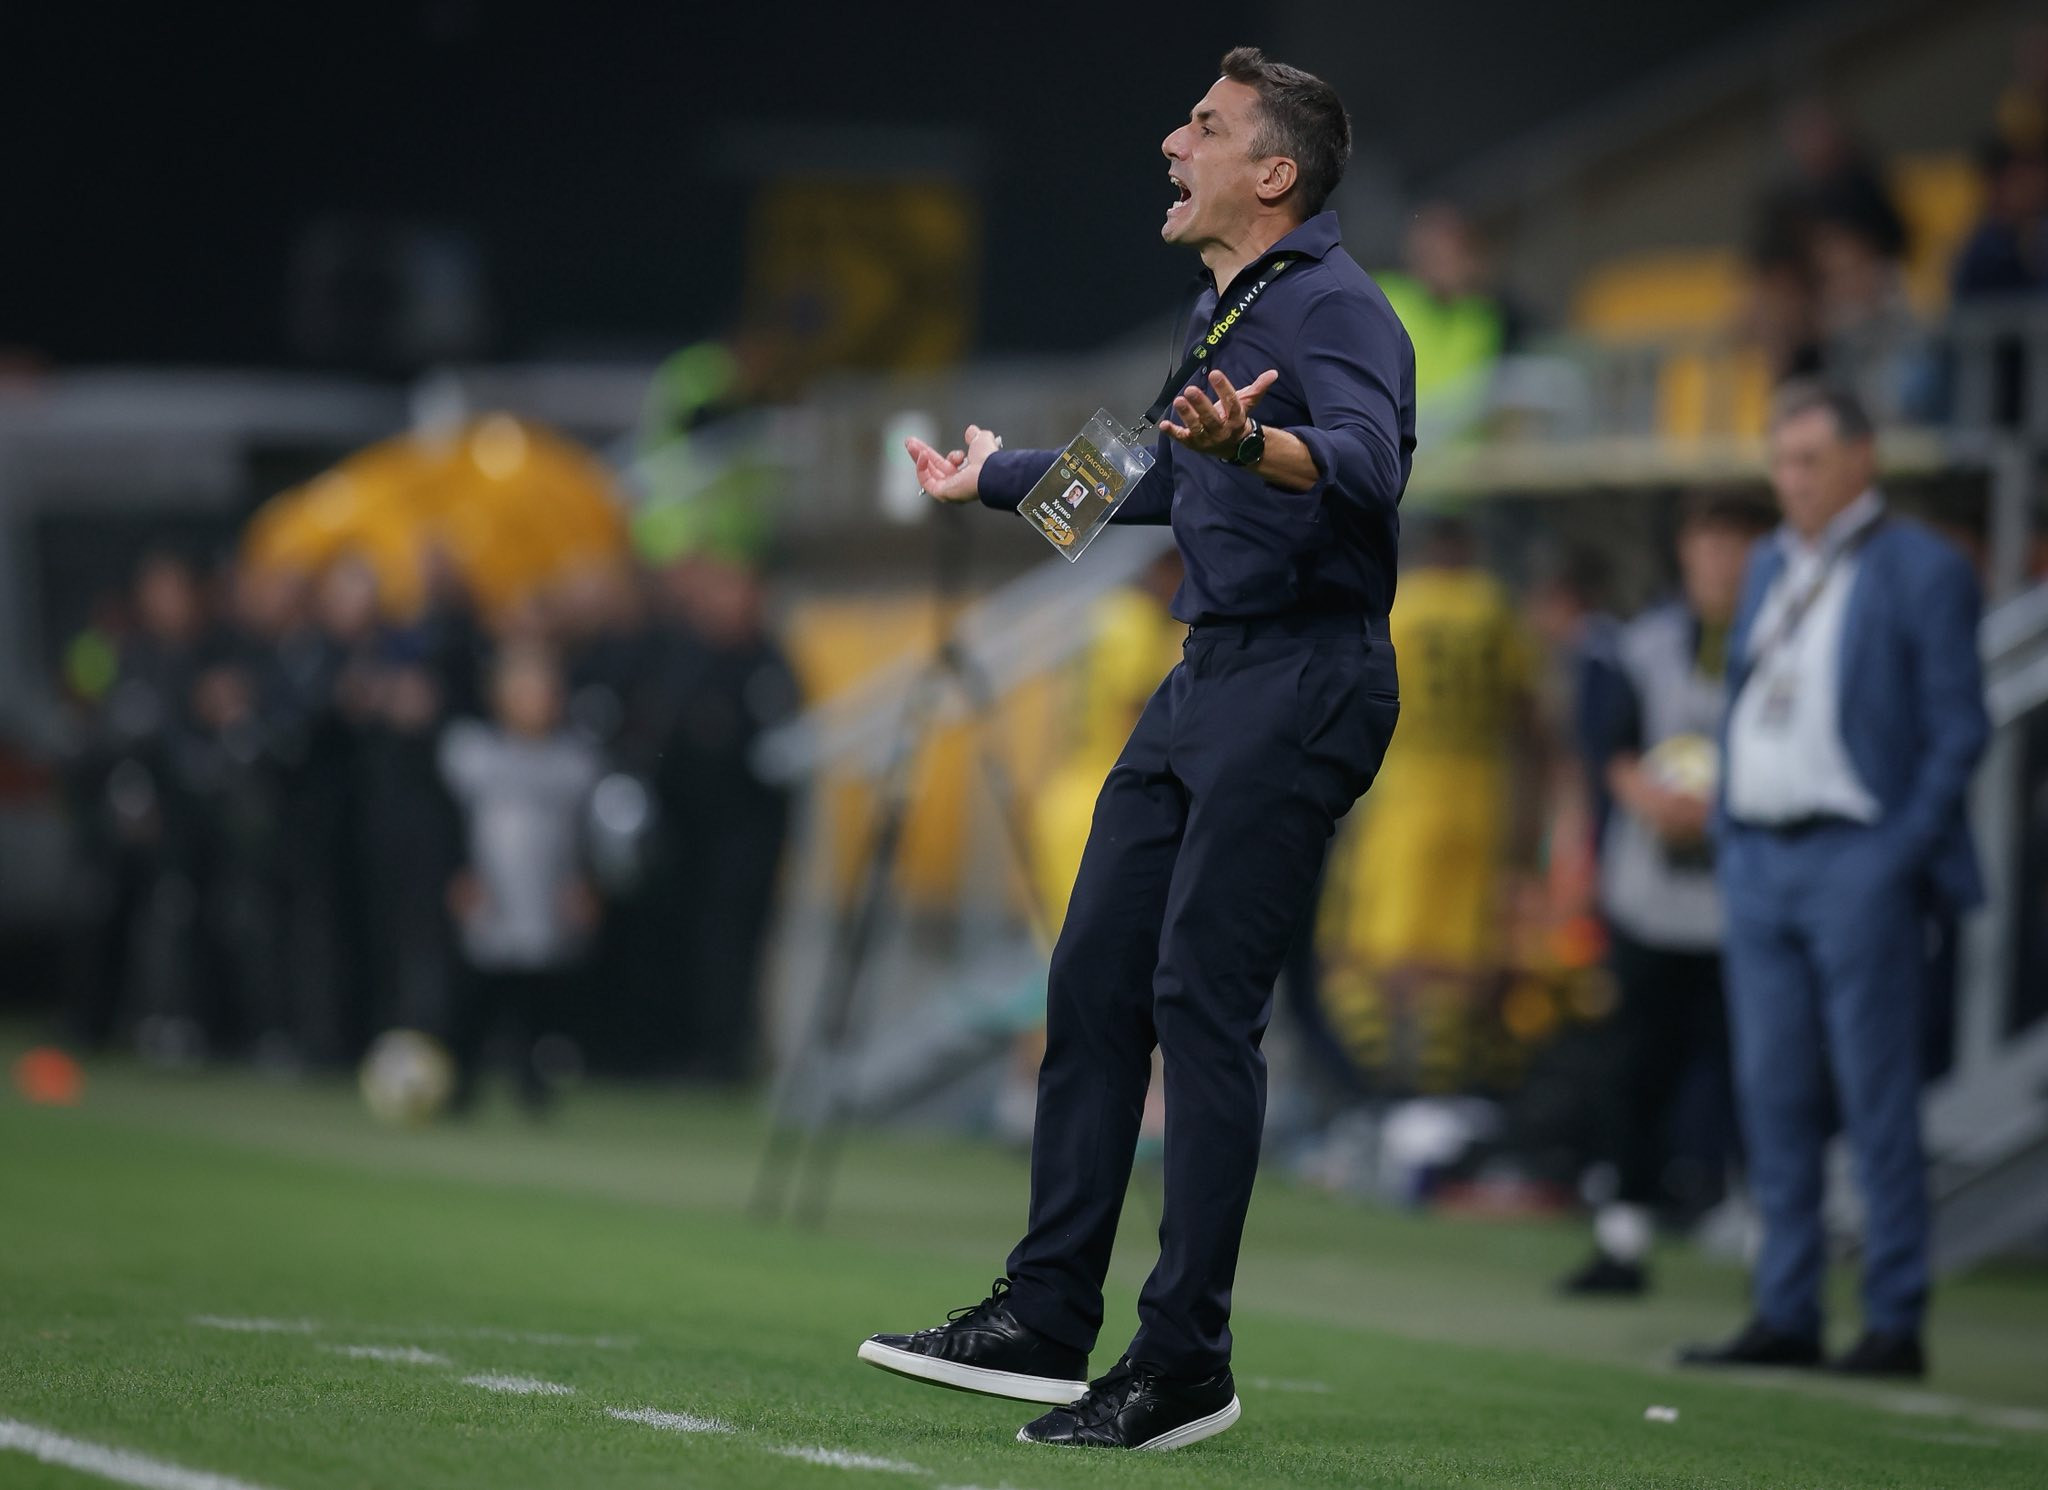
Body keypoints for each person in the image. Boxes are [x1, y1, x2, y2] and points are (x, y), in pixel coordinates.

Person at [866, 47, 1411, 1451]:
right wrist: (989, 480)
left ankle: (1184, 1361)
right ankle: (1046, 1315)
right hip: (1211, 668)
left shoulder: (1338, 305)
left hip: (1303, 672)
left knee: (1199, 1003)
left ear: (1272, 174)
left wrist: (1257, 447)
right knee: (1093, 978)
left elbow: (1367, 459)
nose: (1173, 143)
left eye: (1205, 128)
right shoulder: (1230, 304)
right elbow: (1160, 469)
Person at [1681, 382, 1989, 1379]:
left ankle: (1892, 1318)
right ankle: (1787, 1308)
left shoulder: (1921, 566)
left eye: (1811, 460)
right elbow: (1744, 696)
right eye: (1781, 461)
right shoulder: (1772, 561)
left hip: (1857, 851)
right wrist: (1729, 828)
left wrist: (1899, 848)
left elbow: (1958, 725)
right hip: (1761, 854)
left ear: (1863, 460)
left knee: (1873, 1093)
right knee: (1770, 1093)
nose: (1793, 480)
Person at [1559, 491, 1776, 1297]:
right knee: (1635, 1071)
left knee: (1759, 1073)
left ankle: (1769, 1245)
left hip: (1747, 900)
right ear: (1686, 550)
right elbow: (1608, 748)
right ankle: (1623, 1236)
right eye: (1708, 542)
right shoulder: (1641, 644)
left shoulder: (1785, 640)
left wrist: (1724, 807)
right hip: (1650, 898)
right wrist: (1652, 801)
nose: (1721, 560)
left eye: (1738, 543)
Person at [439, 643, 603, 1112]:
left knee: (539, 994)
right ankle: (459, 1081)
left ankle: (533, 1084)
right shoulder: (474, 753)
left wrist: (584, 882)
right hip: (491, 889)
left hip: (546, 891)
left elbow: (586, 832)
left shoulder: (574, 761)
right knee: (480, 989)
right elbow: (449, 821)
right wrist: (459, 873)